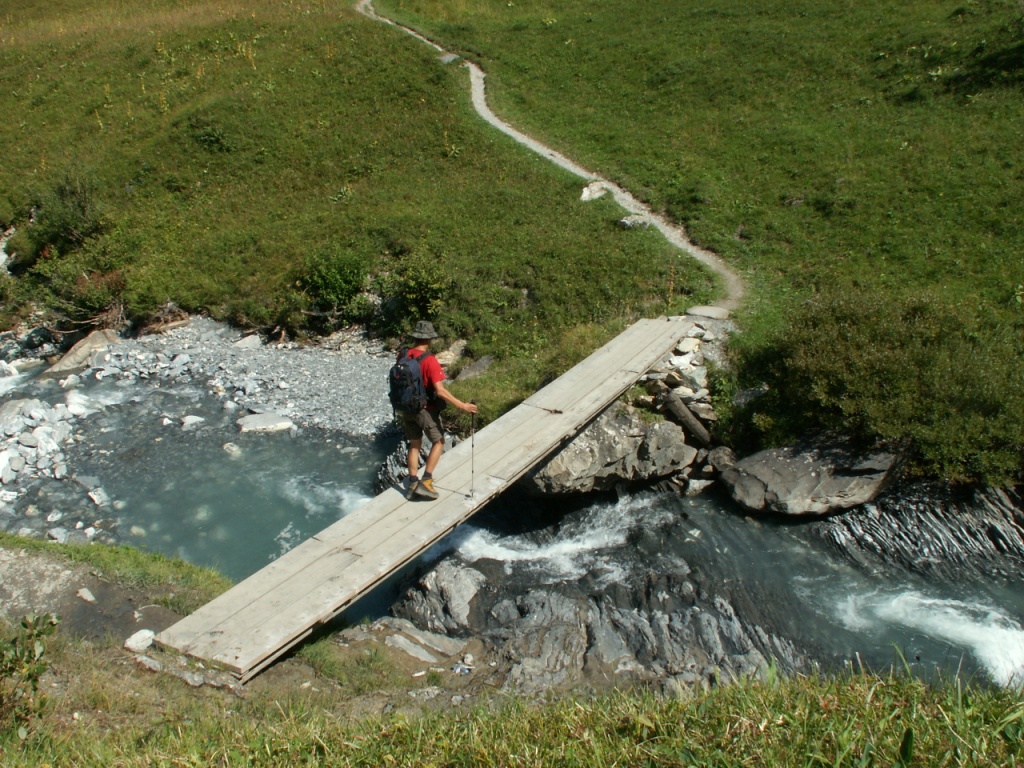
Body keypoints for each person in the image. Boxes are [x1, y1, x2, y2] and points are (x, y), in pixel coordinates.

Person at [399, 320, 478, 500]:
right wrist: (462, 406)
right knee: (439, 442)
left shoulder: (403, 355)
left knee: (415, 443)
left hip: (406, 407)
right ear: (429, 339)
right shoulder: (430, 361)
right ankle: (426, 481)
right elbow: (440, 391)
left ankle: (412, 483)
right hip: (425, 409)